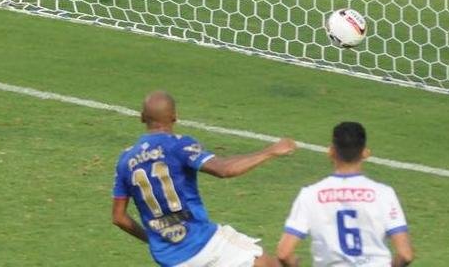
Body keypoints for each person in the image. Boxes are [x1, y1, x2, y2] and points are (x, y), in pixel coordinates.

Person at [112, 91, 296, 267]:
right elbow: (224, 169)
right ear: (175, 116)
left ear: (142, 117)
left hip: (170, 259)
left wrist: (152, 238)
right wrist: (270, 151)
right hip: (204, 244)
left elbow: (118, 217)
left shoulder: (125, 160)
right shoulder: (179, 144)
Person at [275, 122, 414, 267]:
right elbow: (405, 254)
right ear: (365, 153)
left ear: (331, 152)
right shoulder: (384, 194)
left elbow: (283, 253)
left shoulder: (310, 194)